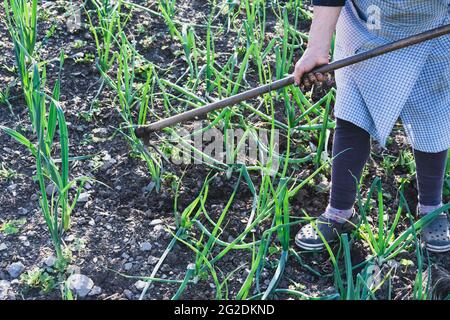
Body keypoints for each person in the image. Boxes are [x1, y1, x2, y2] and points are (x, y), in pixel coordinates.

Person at [293, 0, 450, 253]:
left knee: (432, 113)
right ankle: (339, 212)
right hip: (370, 21)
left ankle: (431, 207)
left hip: (435, 23)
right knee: (353, 113)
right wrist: (317, 45)